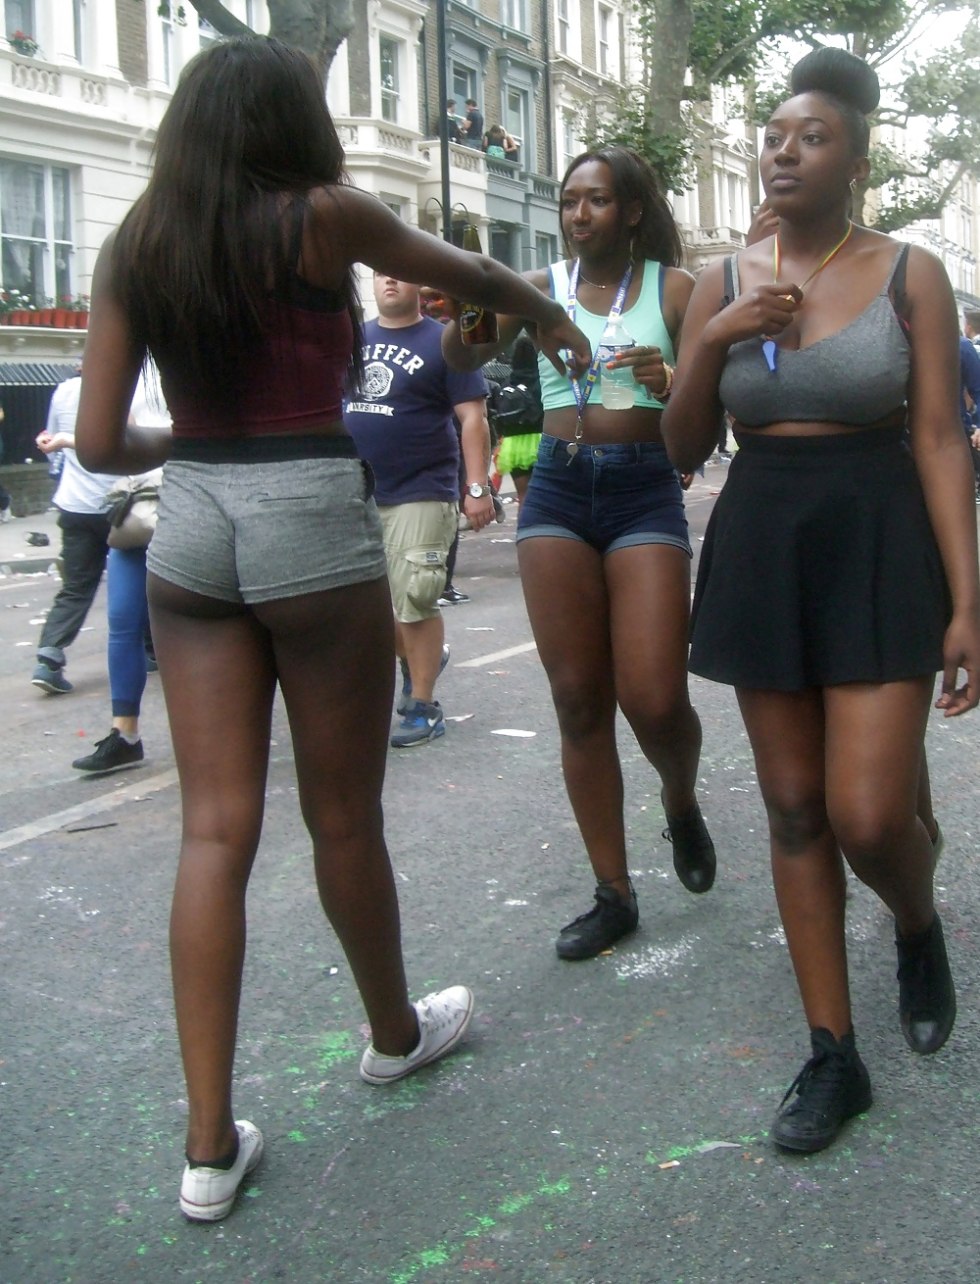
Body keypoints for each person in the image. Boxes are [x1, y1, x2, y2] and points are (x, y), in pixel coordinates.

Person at [74, 36, 590, 1223]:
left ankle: (207, 1149)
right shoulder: (322, 216)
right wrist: (540, 323)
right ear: (283, 122)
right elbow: (474, 271)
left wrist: (194, 449)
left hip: (192, 532)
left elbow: (101, 446)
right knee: (341, 812)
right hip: (308, 513)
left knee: (214, 832)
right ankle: (395, 1033)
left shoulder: (134, 241)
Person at [662, 47, 980, 1154]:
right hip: (761, 535)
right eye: (773, 135)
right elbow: (683, 446)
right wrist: (710, 341)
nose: (783, 150)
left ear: (854, 158)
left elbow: (939, 439)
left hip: (881, 535)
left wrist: (967, 604)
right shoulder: (718, 279)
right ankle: (829, 1054)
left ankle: (913, 916)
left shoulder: (909, 272)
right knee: (794, 808)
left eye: (812, 136)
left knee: (866, 814)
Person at [443, 145, 716, 961]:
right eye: (569, 201)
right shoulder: (536, 289)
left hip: (643, 489)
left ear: (631, 210)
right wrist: (472, 299)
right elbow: (465, 355)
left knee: (656, 696)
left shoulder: (676, 289)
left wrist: (666, 373)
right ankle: (614, 891)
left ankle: (678, 797)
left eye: (595, 200)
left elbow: (709, 403)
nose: (577, 213)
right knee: (577, 699)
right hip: (558, 489)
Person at [344, 273, 494, 746]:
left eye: (399, 273)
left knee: (416, 599)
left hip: (421, 490)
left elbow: (473, 417)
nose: (389, 281)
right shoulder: (353, 338)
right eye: (380, 273)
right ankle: (419, 657)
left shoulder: (445, 342)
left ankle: (423, 705)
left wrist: (477, 487)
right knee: (367, 609)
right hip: (355, 491)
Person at [72, 371, 170, 775]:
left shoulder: (204, 340)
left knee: (197, 624)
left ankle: (223, 731)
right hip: (139, 507)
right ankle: (124, 733)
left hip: (193, 502)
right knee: (123, 620)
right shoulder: (134, 357)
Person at [32, 368, 118, 695]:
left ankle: (49, 657)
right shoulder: (124, 385)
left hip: (74, 502)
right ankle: (151, 650)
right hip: (120, 503)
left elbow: (51, 443)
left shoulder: (64, 390)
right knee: (142, 577)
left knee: (76, 586)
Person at [490, 332, 544, 509]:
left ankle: (523, 533)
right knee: (548, 497)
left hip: (512, 445)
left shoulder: (507, 383)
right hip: (540, 441)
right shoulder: (542, 381)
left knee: (524, 497)